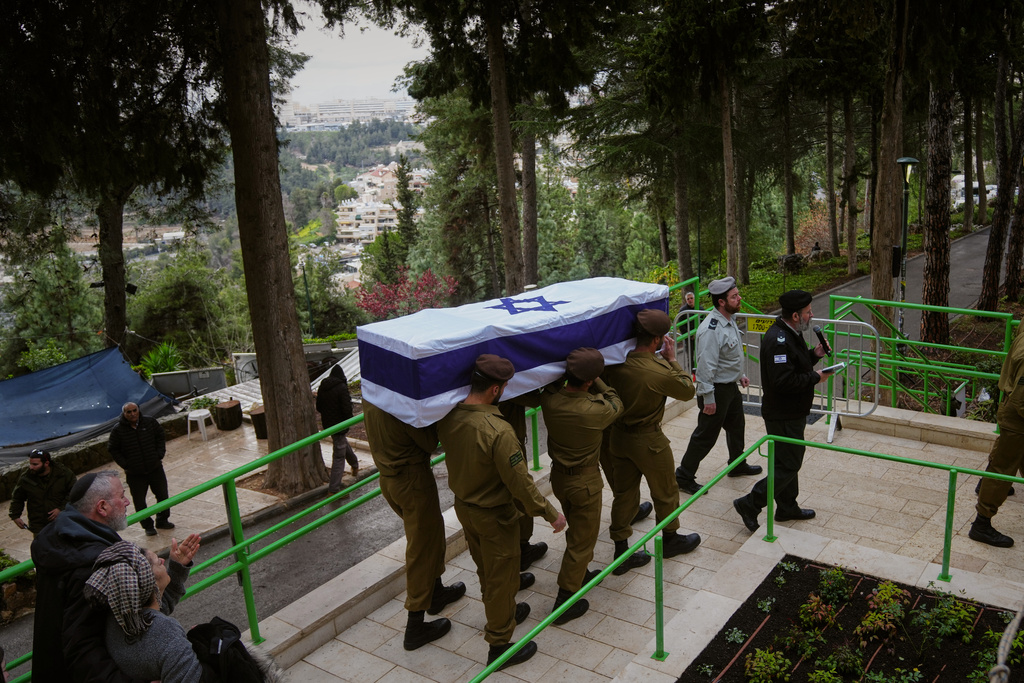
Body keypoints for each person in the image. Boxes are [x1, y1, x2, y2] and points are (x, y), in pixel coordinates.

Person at [437, 354, 566, 670]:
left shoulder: (448, 416)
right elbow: (521, 484)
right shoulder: (498, 430)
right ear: (496, 390)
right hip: (494, 515)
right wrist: (551, 513)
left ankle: (503, 613)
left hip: (465, 508)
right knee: (502, 578)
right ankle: (499, 645)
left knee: (486, 570)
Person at [362, 399, 467, 650]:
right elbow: (429, 442)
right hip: (412, 480)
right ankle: (415, 625)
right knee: (421, 549)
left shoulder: (373, 396)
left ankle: (436, 593)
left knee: (430, 537)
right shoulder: (400, 404)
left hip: (390, 478)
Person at [604, 309, 702, 576]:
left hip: (618, 437)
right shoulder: (657, 371)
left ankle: (621, 549)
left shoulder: (614, 363)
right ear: (658, 339)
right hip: (648, 440)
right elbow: (687, 390)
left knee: (624, 493)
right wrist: (672, 360)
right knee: (665, 490)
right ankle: (670, 539)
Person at [733, 290, 832, 533]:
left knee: (785, 461)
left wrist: (814, 355)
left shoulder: (790, 332)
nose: (812, 315)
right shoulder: (778, 340)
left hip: (792, 411)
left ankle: (787, 506)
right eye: (808, 312)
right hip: (784, 413)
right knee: (790, 463)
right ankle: (750, 503)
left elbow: (794, 364)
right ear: (796, 315)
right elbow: (783, 381)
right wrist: (815, 378)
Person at [537, 348, 621, 624]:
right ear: (590, 380)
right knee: (582, 541)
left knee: (577, 529)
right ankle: (565, 601)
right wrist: (598, 379)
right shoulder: (592, 410)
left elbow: (549, 388)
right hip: (584, 483)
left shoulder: (551, 401)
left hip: (559, 479)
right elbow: (617, 403)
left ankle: (580, 573)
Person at [31, 471, 136, 682]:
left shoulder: (57, 537)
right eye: (121, 495)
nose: (127, 502)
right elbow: (83, 646)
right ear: (102, 507)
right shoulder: (92, 565)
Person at [675, 277, 761, 495]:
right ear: (722, 302)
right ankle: (684, 477)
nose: (739, 298)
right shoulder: (710, 330)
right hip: (715, 390)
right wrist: (709, 398)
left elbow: (728, 355)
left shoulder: (728, 319)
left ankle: (737, 463)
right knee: (705, 435)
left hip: (729, 386)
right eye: (734, 296)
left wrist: (739, 375)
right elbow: (705, 367)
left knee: (736, 427)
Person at [85, 536, 204, 683]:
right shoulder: (166, 633)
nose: (162, 560)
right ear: (149, 583)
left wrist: (177, 568)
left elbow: (158, 606)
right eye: (156, 562)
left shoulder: (119, 617)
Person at [969, 322, 1024, 547]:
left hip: (1013, 408)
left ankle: (986, 484)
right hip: (1018, 415)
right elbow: (1023, 401)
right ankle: (981, 524)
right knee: (1003, 467)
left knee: (1008, 459)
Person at [108, 402, 173, 536]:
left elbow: (160, 436)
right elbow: (113, 449)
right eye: (129, 412)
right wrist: (126, 464)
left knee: (163, 496)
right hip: (135, 474)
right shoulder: (118, 430)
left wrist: (159, 454)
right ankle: (147, 526)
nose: (132, 414)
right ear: (124, 414)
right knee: (139, 501)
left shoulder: (150, 422)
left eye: (134, 410)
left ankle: (162, 520)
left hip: (155, 468)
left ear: (138, 410)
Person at [9, 449, 77, 536]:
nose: (31, 467)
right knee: (41, 547)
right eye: (30, 464)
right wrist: (15, 516)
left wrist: (61, 509)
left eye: (35, 464)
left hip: (63, 520)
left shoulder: (63, 474)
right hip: (38, 523)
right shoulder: (26, 478)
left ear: (46, 463)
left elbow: (74, 493)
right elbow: (17, 497)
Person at [316, 364, 359, 493]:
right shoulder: (342, 387)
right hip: (340, 424)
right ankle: (334, 489)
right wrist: (348, 420)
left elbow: (319, 406)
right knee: (339, 456)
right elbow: (347, 408)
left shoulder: (323, 386)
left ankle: (355, 465)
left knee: (342, 443)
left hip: (328, 424)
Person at [679, 290, 699, 371]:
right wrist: (689, 335)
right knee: (690, 357)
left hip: (699, 335)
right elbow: (681, 325)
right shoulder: (683, 311)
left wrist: (697, 333)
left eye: (691, 298)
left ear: (694, 299)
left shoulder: (699, 308)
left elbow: (704, 322)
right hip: (688, 337)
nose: (690, 300)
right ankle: (692, 374)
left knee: (701, 354)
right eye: (688, 299)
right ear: (686, 300)